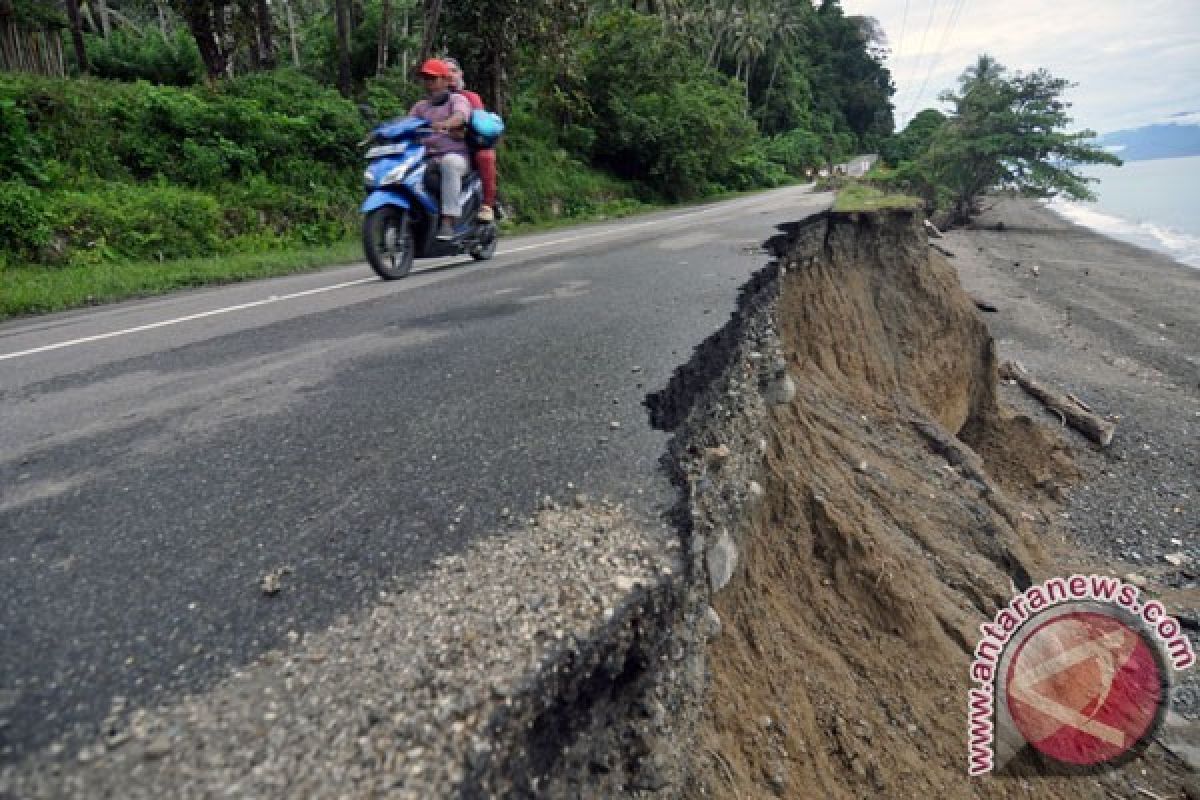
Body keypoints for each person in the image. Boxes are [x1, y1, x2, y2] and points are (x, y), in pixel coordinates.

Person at [408, 58, 472, 239]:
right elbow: (407, 124)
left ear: (445, 80)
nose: (429, 84)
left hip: (457, 158)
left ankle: (448, 221)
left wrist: (445, 124)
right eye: (426, 79)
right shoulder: (420, 107)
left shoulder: (456, 99)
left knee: (449, 162)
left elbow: (460, 116)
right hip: (427, 159)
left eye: (433, 79)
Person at [444, 57, 497, 223]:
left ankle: (488, 205)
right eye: (446, 72)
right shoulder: (431, 101)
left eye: (453, 71)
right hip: (438, 149)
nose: (450, 75)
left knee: (485, 156)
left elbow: (479, 125)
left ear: (461, 74)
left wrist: (462, 133)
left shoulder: (470, 98)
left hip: (466, 150)